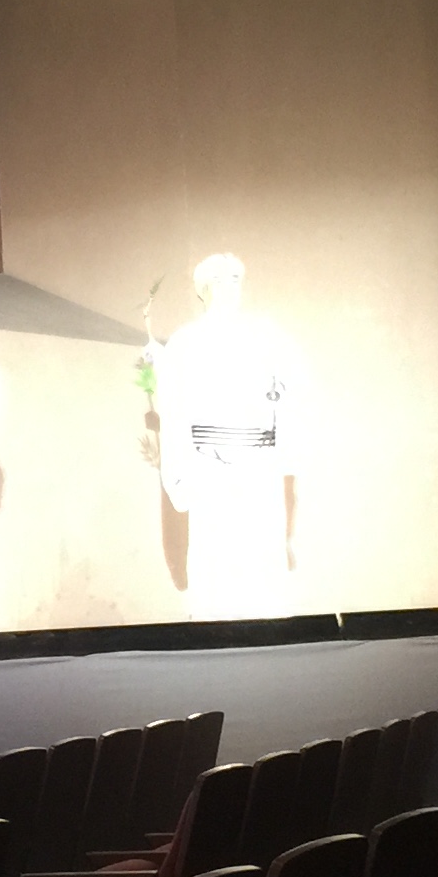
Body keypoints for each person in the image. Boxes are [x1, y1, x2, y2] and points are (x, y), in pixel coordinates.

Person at [151, 250, 304, 620]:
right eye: (218, 281)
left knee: (262, 572)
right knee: (215, 572)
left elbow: (285, 403)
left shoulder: (266, 338)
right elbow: (173, 413)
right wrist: (179, 480)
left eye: (235, 280)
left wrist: (285, 460)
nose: (228, 288)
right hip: (209, 472)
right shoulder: (185, 344)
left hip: (259, 471)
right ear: (202, 290)